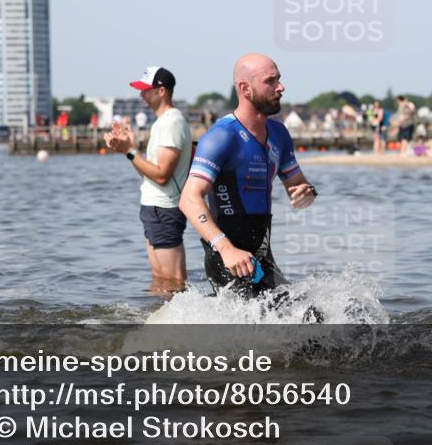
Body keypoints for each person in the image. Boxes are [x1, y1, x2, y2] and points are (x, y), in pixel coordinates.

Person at [179, 53, 318, 298]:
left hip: (262, 254)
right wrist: (226, 248)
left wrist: (307, 193)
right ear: (245, 88)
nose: (281, 87)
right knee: (261, 330)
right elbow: (189, 199)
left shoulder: (279, 134)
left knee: (310, 320)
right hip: (227, 256)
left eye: (279, 80)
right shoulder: (222, 137)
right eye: (271, 81)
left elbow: (298, 185)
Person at [105, 66, 192, 293]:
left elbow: (162, 175)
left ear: (161, 91)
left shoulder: (172, 122)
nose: (141, 94)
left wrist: (130, 151)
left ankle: (184, 324)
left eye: (146, 89)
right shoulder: (161, 123)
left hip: (165, 208)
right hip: (154, 208)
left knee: (173, 281)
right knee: (160, 279)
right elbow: (149, 174)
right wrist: (128, 150)